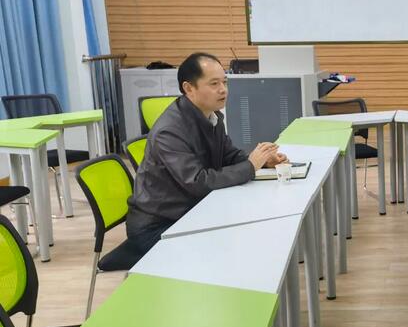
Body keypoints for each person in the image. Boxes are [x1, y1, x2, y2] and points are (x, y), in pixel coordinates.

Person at [100, 52, 288, 271]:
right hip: (158, 224)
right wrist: (250, 166)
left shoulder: (211, 116)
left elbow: (227, 155)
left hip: (190, 211)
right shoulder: (170, 131)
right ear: (189, 88)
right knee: (235, 245)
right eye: (214, 84)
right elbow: (199, 182)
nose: (223, 90)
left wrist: (262, 160)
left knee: (248, 228)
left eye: (225, 82)